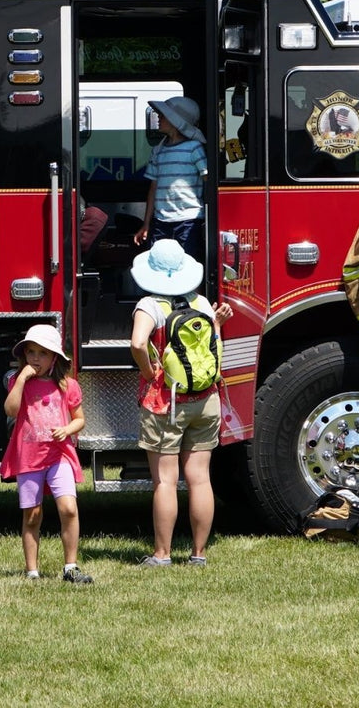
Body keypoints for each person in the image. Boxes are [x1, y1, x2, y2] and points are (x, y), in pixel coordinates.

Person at [129, 239, 231, 567]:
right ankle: (199, 554)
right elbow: (214, 346)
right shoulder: (200, 303)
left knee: (166, 481)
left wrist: (148, 370)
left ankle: (162, 554)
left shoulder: (150, 306)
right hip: (206, 399)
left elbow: (137, 342)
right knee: (200, 477)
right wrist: (216, 324)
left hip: (165, 403)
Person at [0, 323, 93, 584]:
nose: (35, 359)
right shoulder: (18, 383)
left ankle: (70, 567)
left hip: (59, 455)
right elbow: (10, 410)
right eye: (31, 352)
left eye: (42, 353)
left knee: (69, 508)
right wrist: (21, 380)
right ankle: (32, 571)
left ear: (54, 357)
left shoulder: (68, 385)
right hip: (28, 457)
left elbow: (80, 420)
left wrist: (67, 429)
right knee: (32, 515)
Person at [134, 96, 208, 263]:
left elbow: (207, 179)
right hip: (161, 220)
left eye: (163, 116)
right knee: (159, 263)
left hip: (189, 219)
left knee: (188, 263)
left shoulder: (193, 148)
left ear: (177, 121)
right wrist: (146, 224)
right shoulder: (158, 150)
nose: (158, 119)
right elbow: (153, 188)